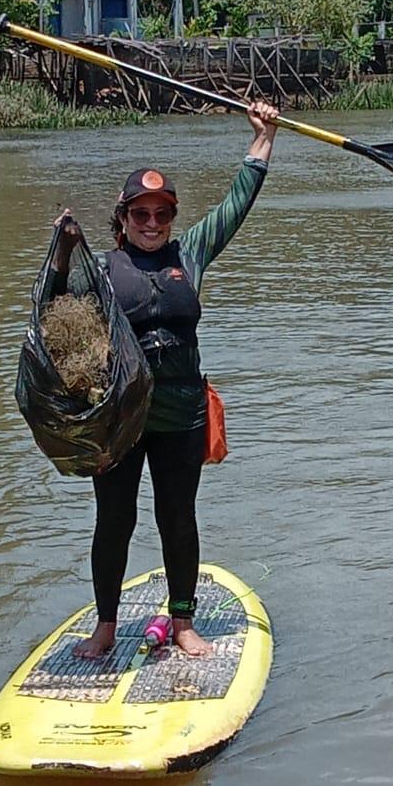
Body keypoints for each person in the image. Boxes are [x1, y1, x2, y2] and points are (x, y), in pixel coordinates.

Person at [50, 101, 279, 659]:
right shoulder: (99, 270)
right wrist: (60, 253)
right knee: (115, 521)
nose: (152, 224)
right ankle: (106, 626)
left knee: (178, 517)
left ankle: (182, 622)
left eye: (162, 214)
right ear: (123, 219)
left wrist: (263, 139)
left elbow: (234, 207)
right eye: (141, 215)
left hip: (181, 414)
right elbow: (55, 312)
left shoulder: (191, 255)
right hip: (120, 420)